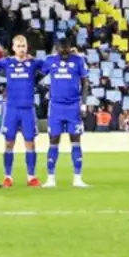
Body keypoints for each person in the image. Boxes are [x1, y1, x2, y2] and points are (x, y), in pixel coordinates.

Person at [0, 35, 44, 187]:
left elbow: (47, 68)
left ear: (27, 47)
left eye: (24, 46)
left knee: (30, 142)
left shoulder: (33, 62)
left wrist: (36, 78)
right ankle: (8, 176)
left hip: (28, 108)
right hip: (12, 108)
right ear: (13, 48)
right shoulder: (7, 62)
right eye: (19, 46)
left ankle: (31, 177)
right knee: (9, 142)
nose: (22, 49)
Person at [41, 39, 90, 188]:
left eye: (66, 49)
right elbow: (38, 74)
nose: (64, 52)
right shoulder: (50, 60)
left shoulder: (78, 60)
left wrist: (84, 105)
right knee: (53, 141)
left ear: (70, 48)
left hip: (73, 106)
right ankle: (50, 178)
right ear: (56, 48)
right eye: (61, 50)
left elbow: (85, 83)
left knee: (75, 140)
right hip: (56, 107)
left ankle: (77, 178)